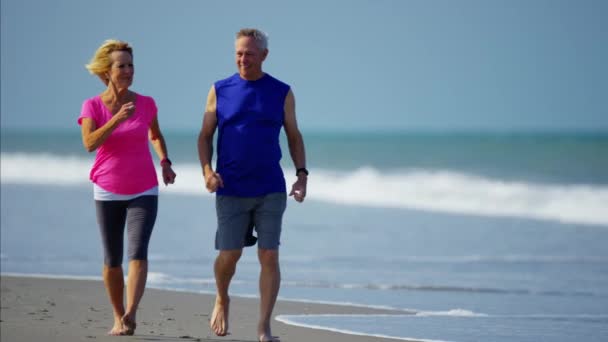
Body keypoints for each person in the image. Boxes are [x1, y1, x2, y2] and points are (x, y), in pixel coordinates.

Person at [197, 28, 308, 342]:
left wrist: (301, 175)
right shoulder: (219, 90)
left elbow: (294, 136)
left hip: (270, 188)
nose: (242, 59)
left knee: (269, 255)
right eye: (238, 53)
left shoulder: (281, 91)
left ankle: (263, 326)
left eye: (248, 53)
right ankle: (222, 296)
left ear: (264, 55)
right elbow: (205, 136)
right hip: (230, 187)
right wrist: (206, 171)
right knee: (229, 255)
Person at [77, 39, 176, 336]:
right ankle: (118, 316)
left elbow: (155, 135)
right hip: (107, 189)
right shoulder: (92, 105)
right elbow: (89, 143)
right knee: (112, 259)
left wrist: (165, 161)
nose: (128, 70)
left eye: (131, 65)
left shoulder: (146, 103)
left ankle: (131, 314)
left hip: (144, 188)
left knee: (138, 253)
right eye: (122, 66)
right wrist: (117, 119)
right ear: (107, 71)